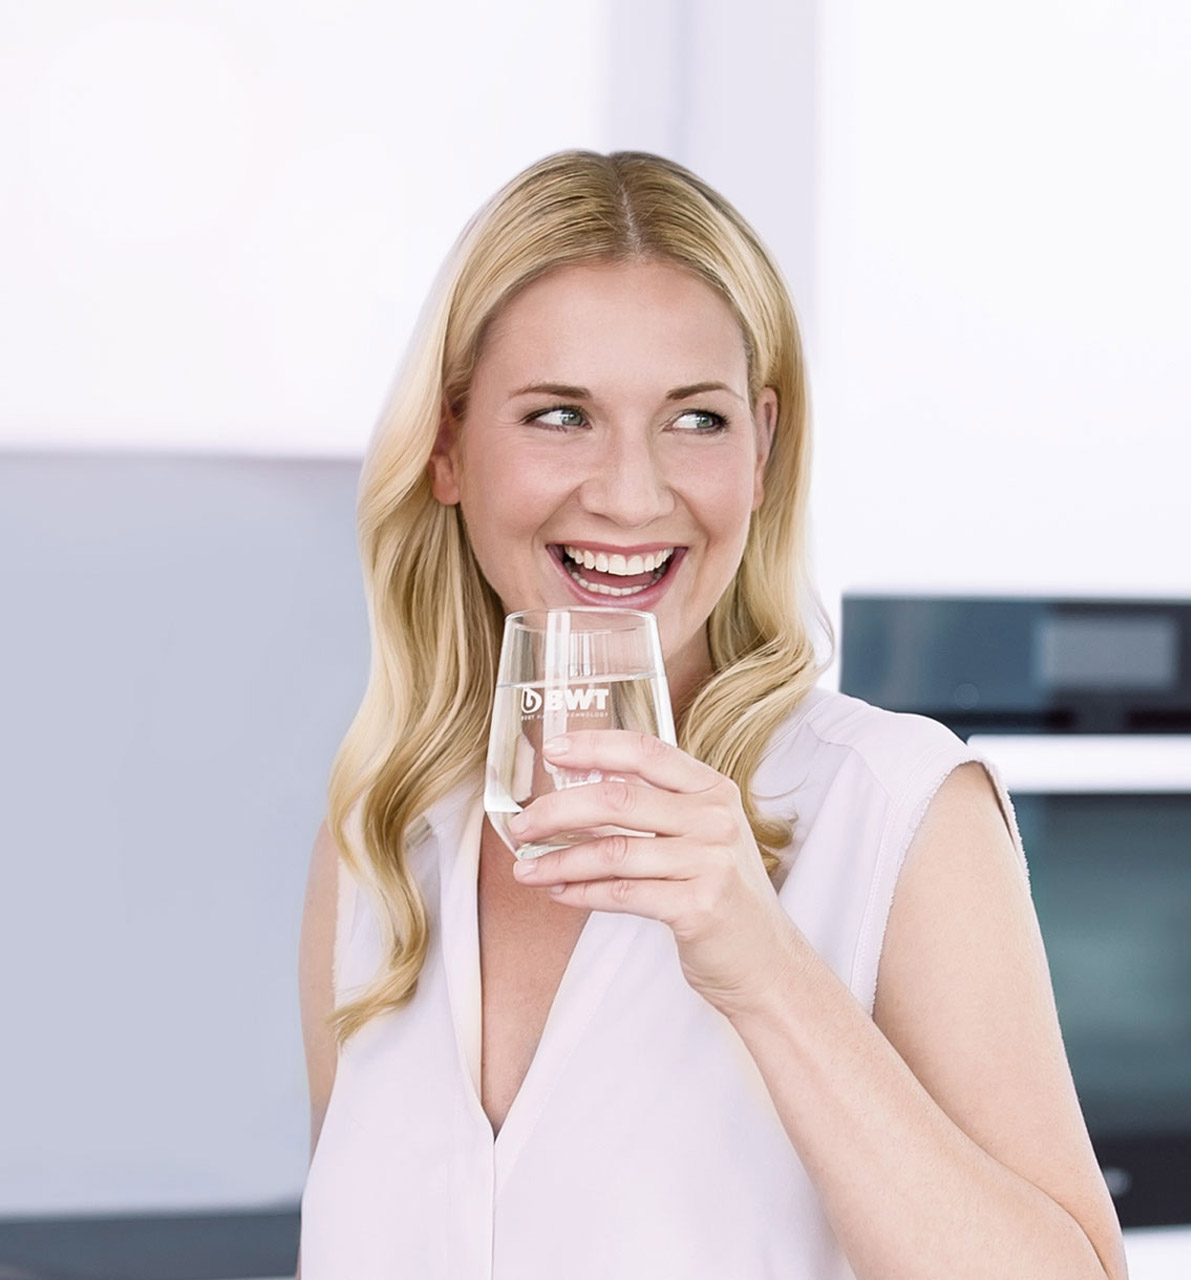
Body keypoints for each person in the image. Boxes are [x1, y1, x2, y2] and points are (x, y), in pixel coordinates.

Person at [297, 150, 1128, 1280]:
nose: (631, 494)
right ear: (447, 446)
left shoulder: (893, 810)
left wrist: (765, 967)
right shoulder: (379, 849)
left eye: (695, 419)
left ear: (762, 445)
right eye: (559, 415)